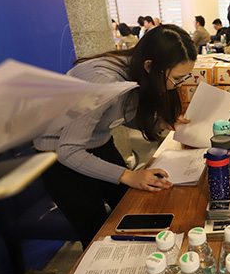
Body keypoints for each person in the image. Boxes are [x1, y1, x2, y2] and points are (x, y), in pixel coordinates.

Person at [34, 24, 197, 248]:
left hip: (96, 142)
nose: (177, 85)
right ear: (150, 65)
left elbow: (115, 114)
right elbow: (68, 151)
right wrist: (128, 175)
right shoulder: (102, 81)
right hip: (59, 157)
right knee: (95, 232)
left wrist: (159, 122)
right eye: (177, 78)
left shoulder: (137, 69)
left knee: (130, 206)